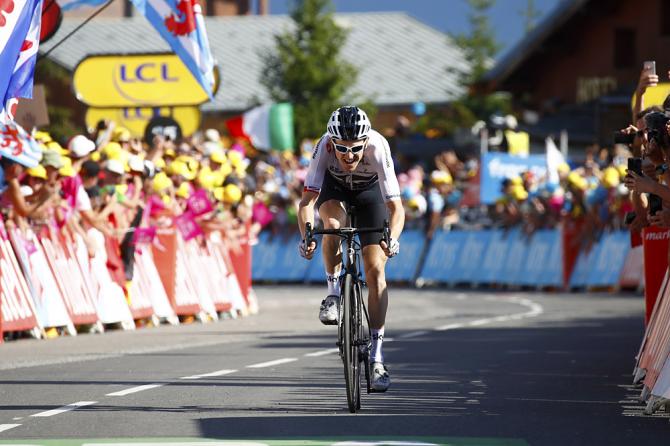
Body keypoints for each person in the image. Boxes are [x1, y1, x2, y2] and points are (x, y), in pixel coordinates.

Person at [297, 106, 405, 392]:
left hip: (371, 197)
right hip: (335, 191)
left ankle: (377, 357)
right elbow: (307, 202)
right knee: (332, 225)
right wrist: (306, 235)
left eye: (356, 149)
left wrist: (392, 238)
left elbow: (396, 207)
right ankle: (333, 295)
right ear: (332, 143)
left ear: (365, 142)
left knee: (375, 270)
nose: (349, 156)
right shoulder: (323, 147)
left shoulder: (379, 147)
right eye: (342, 149)